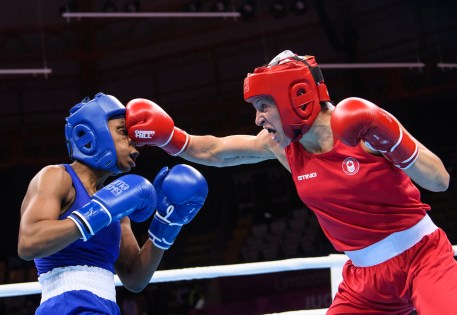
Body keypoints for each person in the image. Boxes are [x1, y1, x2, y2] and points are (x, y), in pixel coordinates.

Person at [125, 50, 457, 314]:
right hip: (365, 281)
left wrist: (392, 137)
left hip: (423, 258)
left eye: (264, 106)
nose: (258, 118)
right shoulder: (282, 146)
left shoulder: (365, 129)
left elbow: (439, 180)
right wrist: (169, 138)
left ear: (295, 98)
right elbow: (216, 150)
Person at [17, 92, 209, 315]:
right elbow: (28, 242)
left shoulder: (117, 205)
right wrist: (98, 213)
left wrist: (166, 225)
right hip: (66, 306)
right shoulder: (56, 177)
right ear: (90, 132)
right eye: (122, 132)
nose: (135, 146)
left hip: (105, 308)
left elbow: (134, 278)